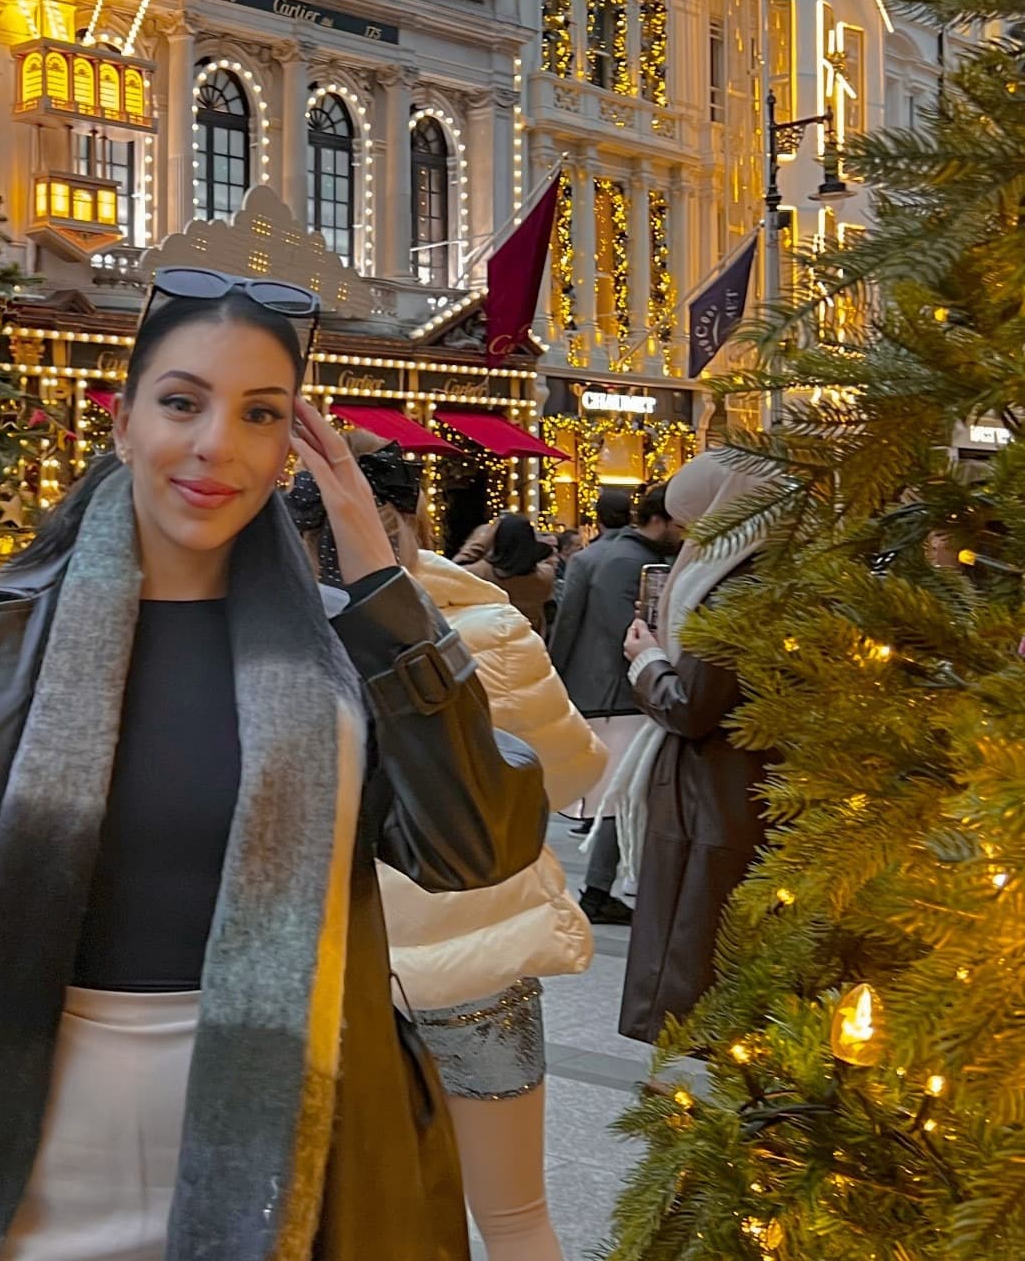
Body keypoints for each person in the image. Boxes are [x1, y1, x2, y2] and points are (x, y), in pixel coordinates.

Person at [0, 272, 549, 1261]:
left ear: (291, 446)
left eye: (260, 413)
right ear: (125, 421)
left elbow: (475, 847)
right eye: (182, 402)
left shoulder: (349, 651)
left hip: (300, 1167)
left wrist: (385, 593)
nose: (217, 443)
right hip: (15, 1156)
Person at [289, 435, 606, 1261]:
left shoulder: (270, 634)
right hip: (475, 957)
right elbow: (569, 774)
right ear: (416, 521)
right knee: (516, 1217)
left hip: (327, 970)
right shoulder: (488, 627)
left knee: (348, 1219)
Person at [608, 451, 778, 1044]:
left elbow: (693, 706)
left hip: (714, 794)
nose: (687, 538)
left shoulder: (736, 590)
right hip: (732, 790)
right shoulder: (763, 574)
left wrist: (647, 662)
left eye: (694, 521)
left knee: (694, 970)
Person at [550, 485, 683, 923]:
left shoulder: (600, 556)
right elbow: (626, 632)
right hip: (619, 693)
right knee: (619, 794)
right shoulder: (630, 562)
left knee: (615, 793)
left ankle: (602, 888)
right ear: (660, 518)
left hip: (603, 690)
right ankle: (598, 889)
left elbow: (567, 624)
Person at [463, 514, 558, 636]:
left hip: (489, 639)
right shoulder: (545, 576)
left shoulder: (480, 573)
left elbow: (453, 569)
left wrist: (481, 541)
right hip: (529, 642)